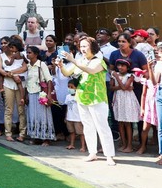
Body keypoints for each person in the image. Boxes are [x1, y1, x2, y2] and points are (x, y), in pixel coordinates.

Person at [59, 36, 116, 165]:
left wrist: (73, 60)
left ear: (93, 47)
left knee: (102, 126)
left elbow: (90, 70)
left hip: (97, 97)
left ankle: (109, 155)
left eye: (85, 46)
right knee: (88, 126)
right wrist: (61, 65)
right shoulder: (80, 60)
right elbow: (67, 73)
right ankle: (92, 152)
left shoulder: (99, 61)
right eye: (81, 46)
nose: (83, 49)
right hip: (82, 97)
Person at [0, 38, 27, 142]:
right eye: (3, 44)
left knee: (21, 109)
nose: (5, 46)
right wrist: (12, 75)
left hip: (21, 83)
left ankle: (22, 133)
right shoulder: (0, 56)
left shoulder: (22, 55)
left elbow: (25, 68)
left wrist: (11, 72)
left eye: (7, 43)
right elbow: (0, 70)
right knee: (8, 109)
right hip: (8, 84)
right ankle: (8, 133)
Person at [24, 46, 55, 145]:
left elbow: (49, 80)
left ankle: (46, 138)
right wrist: (26, 95)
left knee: (43, 115)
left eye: (29, 53)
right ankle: (35, 136)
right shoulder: (28, 66)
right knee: (32, 115)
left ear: (35, 54)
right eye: (27, 53)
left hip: (41, 93)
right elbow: (27, 82)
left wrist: (49, 95)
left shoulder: (42, 65)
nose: (28, 54)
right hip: (31, 92)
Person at [111, 58, 141, 153]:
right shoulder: (114, 75)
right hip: (118, 99)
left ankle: (129, 145)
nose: (120, 67)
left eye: (123, 65)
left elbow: (124, 87)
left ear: (127, 67)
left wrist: (117, 77)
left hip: (128, 100)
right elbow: (111, 87)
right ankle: (123, 144)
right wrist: (123, 86)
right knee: (120, 122)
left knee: (128, 123)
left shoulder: (130, 75)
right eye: (119, 65)